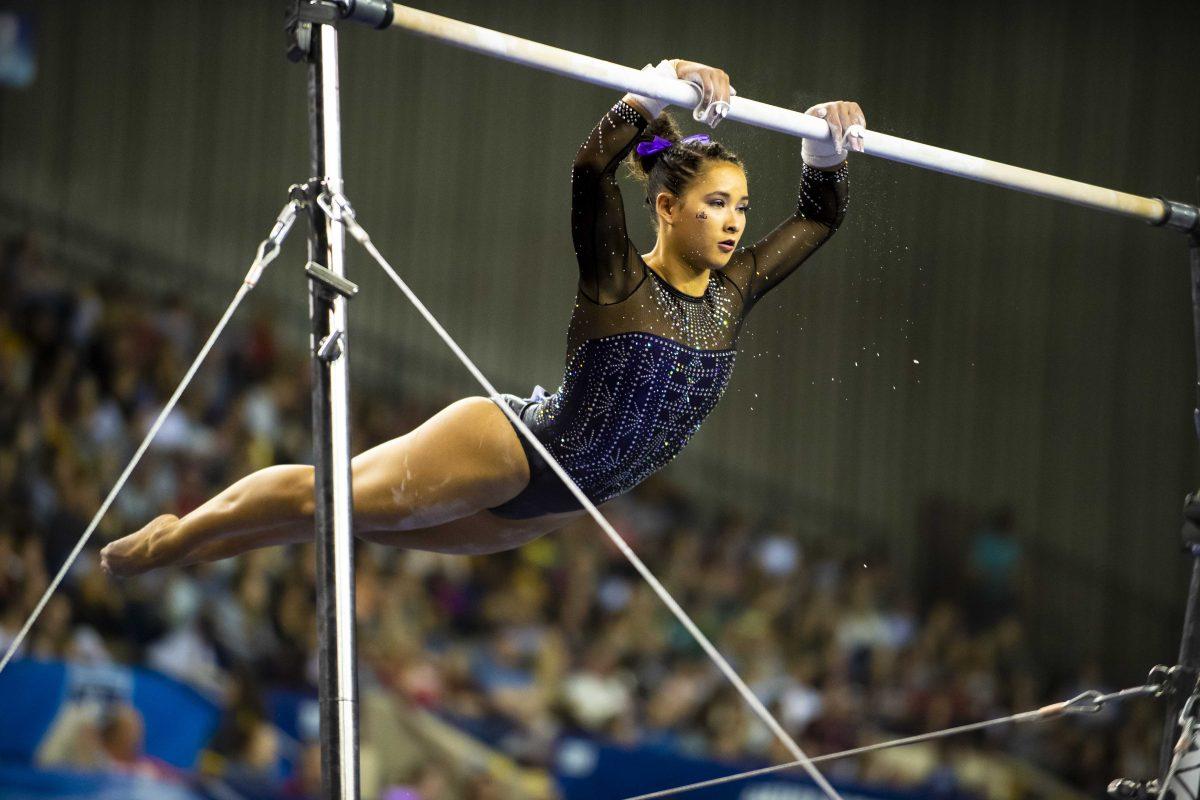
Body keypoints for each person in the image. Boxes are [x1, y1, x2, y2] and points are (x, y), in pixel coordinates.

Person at [100, 59, 865, 576]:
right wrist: (656, 85)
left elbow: (819, 217)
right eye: (715, 204)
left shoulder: (739, 289)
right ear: (666, 207)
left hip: (546, 509)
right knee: (326, 498)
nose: (734, 224)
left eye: (741, 208)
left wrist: (822, 144)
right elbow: (593, 166)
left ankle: (194, 548)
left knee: (345, 530)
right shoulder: (619, 277)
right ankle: (175, 538)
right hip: (511, 451)